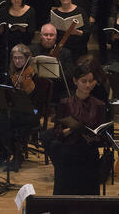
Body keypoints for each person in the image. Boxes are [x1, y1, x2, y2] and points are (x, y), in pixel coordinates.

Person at [41, 62, 109, 195]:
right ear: (75, 81)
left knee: (88, 197)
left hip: (89, 155)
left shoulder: (99, 105)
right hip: (68, 154)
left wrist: (95, 137)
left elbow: (103, 135)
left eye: (91, 81)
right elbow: (56, 132)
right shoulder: (65, 103)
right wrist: (70, 130)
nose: (88, 85)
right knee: (65, 194)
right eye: (84, 81)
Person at [0, 44, 45, 172]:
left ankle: (16, 155)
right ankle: (4, 151)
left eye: (20, 58)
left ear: (27, 59)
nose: (17, 61)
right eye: (15, 58)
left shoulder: (35, 76)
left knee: (3, 124)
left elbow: (36, 102)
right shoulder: (12, 75)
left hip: (30, 114)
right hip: (14, 112)